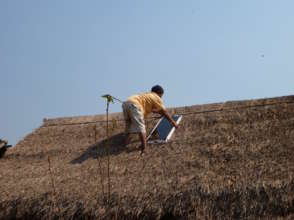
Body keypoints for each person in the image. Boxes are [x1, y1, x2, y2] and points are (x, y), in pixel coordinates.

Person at [122, 85, 178, 154]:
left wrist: (160, 113)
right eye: (161, 95)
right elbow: (164, 111)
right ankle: (144, 148)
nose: (161, 97)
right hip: (135, 105)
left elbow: (155, 110)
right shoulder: (156, 97)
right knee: (141, 127)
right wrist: (173, 122)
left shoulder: (147, 95)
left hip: (126, 103)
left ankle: (124, 143)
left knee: (129, 125)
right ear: (159, 93)